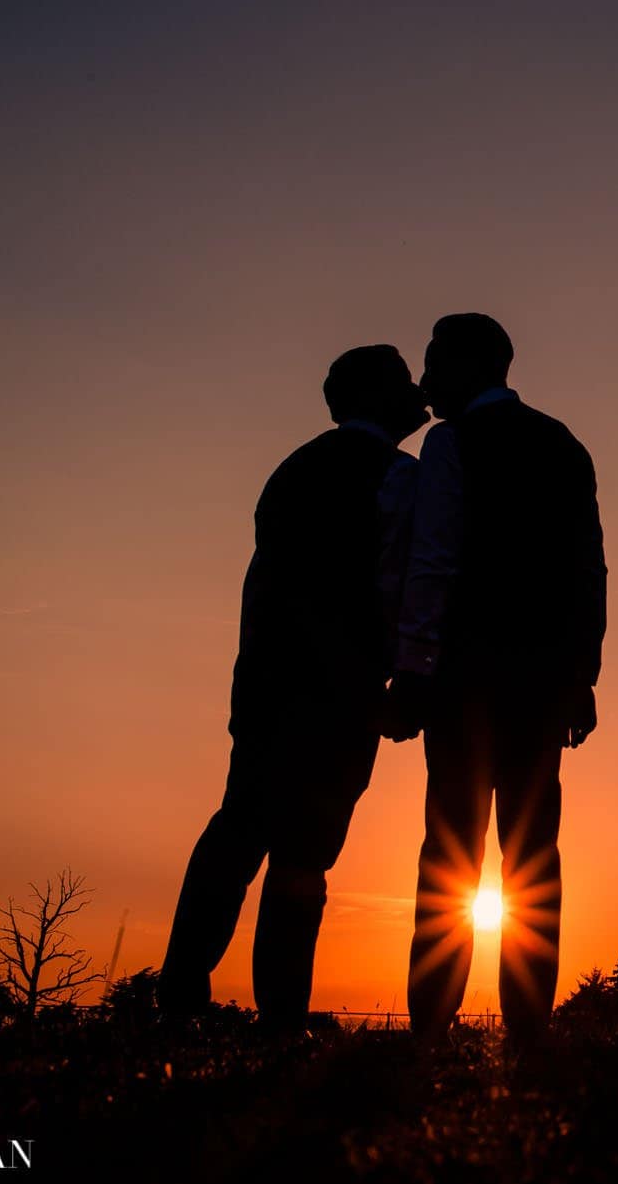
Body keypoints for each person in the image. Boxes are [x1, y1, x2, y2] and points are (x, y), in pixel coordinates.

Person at [159, 345, 428, 1029]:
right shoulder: (399, 479)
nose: (417, 392)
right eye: (404, 384)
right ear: (378, 397)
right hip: (343, 690)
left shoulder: (292, 470)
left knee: (239, 826)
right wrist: (399, 678)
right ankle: (280, 1012)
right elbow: (398, 585)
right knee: (305, 850)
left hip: (266, 681)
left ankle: (182, 991)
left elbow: (266, 580)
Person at [394, 312, 606, 1044]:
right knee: (533, 848)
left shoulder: (449, 444)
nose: (422, 382)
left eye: (432, 363)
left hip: (464, 679)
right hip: (543, 680)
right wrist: (582, 675)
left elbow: (435, 560)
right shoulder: (565, 446)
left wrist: (414, 670)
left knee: (451, 845)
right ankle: (527, 1019)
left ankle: (431, 1014)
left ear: (468, 365)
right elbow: (588, 570)